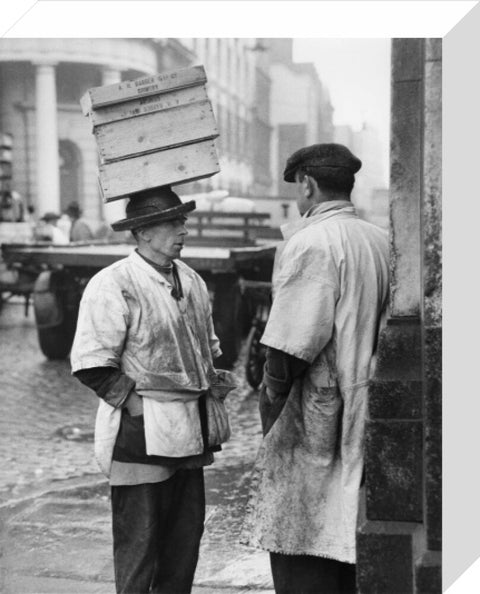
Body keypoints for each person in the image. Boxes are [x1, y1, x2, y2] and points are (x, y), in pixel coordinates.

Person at [70, 186, 235, 594]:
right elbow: (92, 363)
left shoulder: (192, 281)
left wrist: (213, 378)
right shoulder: (114, 284)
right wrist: (137, 406)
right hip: (139, 435)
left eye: (183, 220)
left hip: (190, 432)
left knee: (183, 542)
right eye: (172, 222)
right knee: (140, 543)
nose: (184, 229)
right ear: (142, 232)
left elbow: (207, 348)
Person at [241, 143, 389, 593]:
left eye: (297, 188)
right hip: (366, 399)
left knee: (303, 538)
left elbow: (288, 346)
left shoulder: (311, 242)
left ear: (306, 184)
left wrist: (271, 407)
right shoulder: (379, 238)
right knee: (347, 536)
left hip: (319, 412)